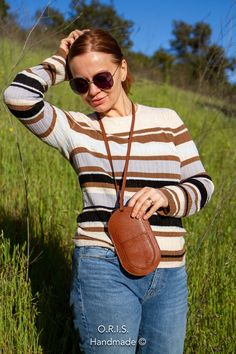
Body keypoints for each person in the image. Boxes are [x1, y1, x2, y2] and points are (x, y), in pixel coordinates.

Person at [3, 29, 214, 354]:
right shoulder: (75, 128)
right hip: (103, 266)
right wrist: (62, 61)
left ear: (123, 69)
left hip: (170, 273)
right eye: (80, 83)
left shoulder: (167, 120)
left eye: (102, 78)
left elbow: (202, 184)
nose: (93, 91)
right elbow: (18, 96)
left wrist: (167, 197)